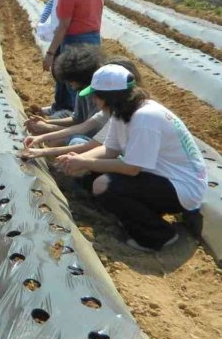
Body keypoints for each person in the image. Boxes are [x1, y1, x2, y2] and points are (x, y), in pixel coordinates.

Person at [56, 64, 208, 251]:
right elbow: (109, 150)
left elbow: (131, 168)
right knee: (92, 177)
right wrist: (72, 159)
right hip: (161, 177)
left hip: (182, 187)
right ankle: (141, 215)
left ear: (110, 97)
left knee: (104, 185)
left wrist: (84, 162)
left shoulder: (145, 118)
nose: (94, 100)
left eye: (96, 95)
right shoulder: (122, 113)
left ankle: (158, 236)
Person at [39, 0, 97, 115]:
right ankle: (61, 105)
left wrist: (49, 52)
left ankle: (75, 112)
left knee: (75, 76)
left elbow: (83, 5)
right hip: (63, 30)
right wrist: (42, 20)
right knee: (61, 72)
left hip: (71, 33)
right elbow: (51, 0)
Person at [25, 45, 105, 142]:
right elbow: (76, 119)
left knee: (60, 140)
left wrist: (47, 127)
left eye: (71, 80)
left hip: (94, 140)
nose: (69, 84)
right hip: (85, 132)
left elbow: (87, 132)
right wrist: (46, 122)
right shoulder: (82, 92)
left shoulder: (101, 99)